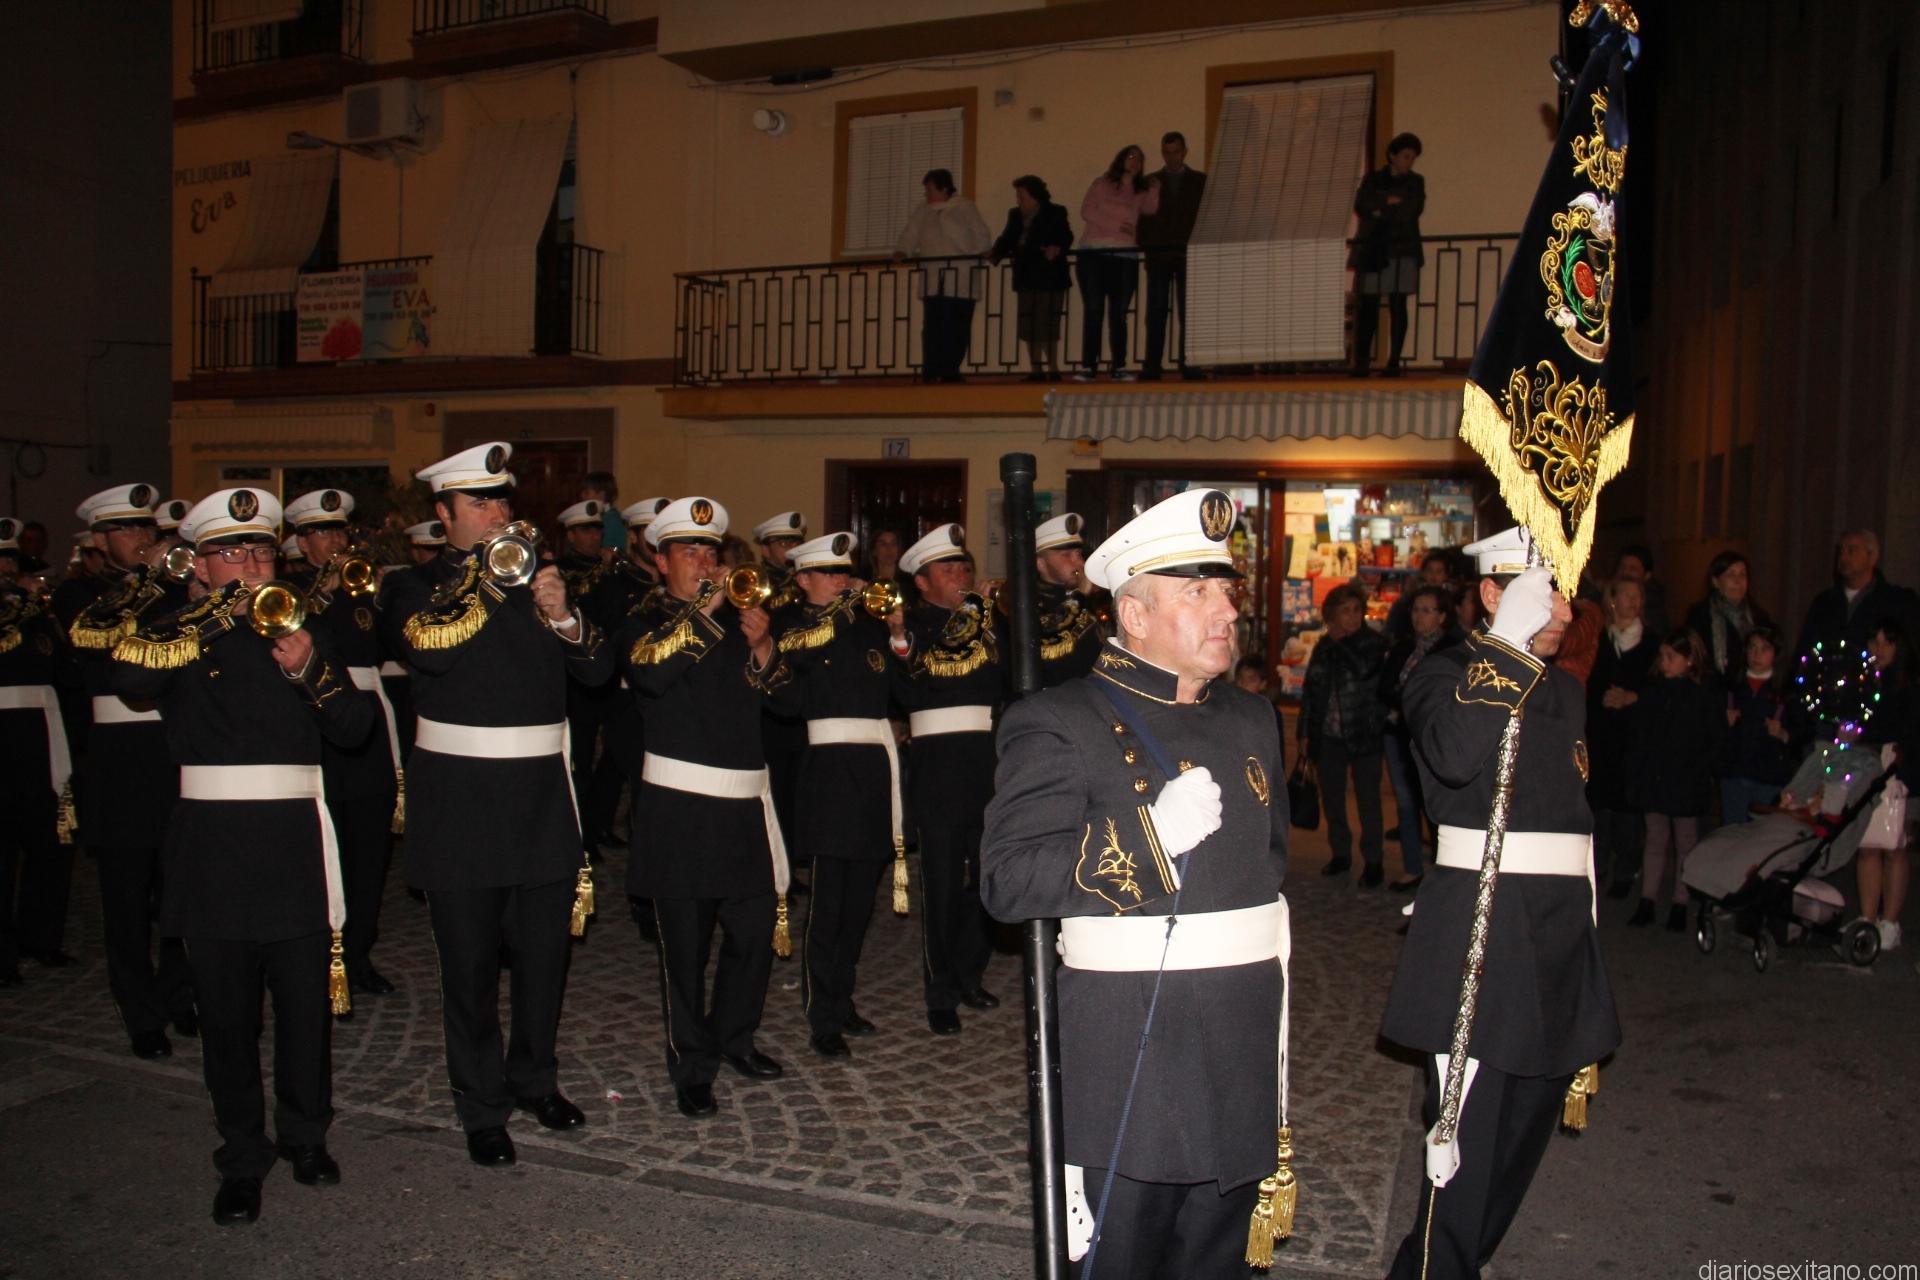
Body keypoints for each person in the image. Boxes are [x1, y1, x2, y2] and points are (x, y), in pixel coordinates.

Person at [981, 487, 1290, 1276]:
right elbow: (1009, 880)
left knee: (1217, 1261)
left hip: (1240, 1028)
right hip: (1133, 1049)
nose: (1226, 611)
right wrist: (1150, 839)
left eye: (1226, 591)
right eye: (1197, 593)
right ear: (1134, 614)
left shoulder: (1252, 718)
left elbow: (1270, 865)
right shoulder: (1060, 720)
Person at [108, 488, 373, 1225]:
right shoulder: (176, 631)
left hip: (291, 836)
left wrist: (310, 669)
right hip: (213, 844)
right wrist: (211, 615)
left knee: (304, 1007)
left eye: (261, 551)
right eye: (233, 553)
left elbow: (355, 728)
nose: (253, 566)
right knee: (226, 1016)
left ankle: (306, 1137)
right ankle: (242, 1155)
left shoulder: (305, 625)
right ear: (199, 564)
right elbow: (130, 682)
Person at [1381, 527, 1621, 1279]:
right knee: (1467, 1148)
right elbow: (1453, 757)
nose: (1562, 611)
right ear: (1492, 594)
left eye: (1564, 594)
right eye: (1542, 594)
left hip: (1557, 933)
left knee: (1522, 1136)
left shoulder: (1566, 690)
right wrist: (1507, 649)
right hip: (1485, 932)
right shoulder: (1443, 672)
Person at [383, 442, 614, 1166]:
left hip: (540, 795)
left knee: (545, 958)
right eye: (479, 502)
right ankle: (481, 1104)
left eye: (502, 500)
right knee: (471, 965)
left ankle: (535, 1078)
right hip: (461, 799)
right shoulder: (413, 586)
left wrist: (564, 615)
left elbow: (599, 673)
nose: (496, 513)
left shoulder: (540, 579)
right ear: (444, 513)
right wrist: (489, 581)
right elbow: (430, 653)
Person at [619, 497, 792, 1117]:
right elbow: (649, 677)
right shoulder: (644, 620)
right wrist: (706, 611)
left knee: (752, 934)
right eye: (688, 552)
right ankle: (691, 1064)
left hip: (742, 805)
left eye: (710, 551)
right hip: (680, 809)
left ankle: (734, 1037)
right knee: (686, 949)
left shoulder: (743, 620)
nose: (703, 562)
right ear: (661, 561)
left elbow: (787, 705)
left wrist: (764, 646)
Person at [54, 484, 198, 1055]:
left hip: (173, 749)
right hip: (118, 759)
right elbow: (92, 645)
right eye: (127, 529)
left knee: (180, 889)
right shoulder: (79, 594)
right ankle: (139, 1012)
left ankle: (181, 994)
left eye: (146, 528)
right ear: (99, 539)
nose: (141, 538)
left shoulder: (172, 587)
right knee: (126, 899)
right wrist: (147, 579)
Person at [772, 531, 905, 1057]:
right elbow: (790, 681)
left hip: (872, 768)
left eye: (846, 572)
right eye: (830, 573)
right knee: (829, 903)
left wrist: (898, 635)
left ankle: (842, 997)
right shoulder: (790, 624)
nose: (843, 581)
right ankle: (821, 1013)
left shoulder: (867, 624)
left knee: (859, 904)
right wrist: (850, 612)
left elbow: (901, 690)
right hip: (828, 771)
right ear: (803, 578)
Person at [283, 489, 402, 996]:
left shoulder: (363, 587)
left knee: (369, 853)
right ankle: (317, 955)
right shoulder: (285, 594)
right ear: (301, 542)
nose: (334, 541)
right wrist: (324, 595)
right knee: (318, 853)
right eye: (322, 532)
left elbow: (391, 646)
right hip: (319, 724)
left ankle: (358, 955)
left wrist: (378, 596)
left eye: (339, 531)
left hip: (366, 723)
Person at [891, 525, 1000, 1035]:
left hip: (987, 763)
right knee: (940, 884)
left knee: (986, 878)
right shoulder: (910, 627)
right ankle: (940, 991)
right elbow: (911, 690)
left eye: (964, 567)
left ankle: (969, 974)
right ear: (922, 581)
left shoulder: (987, 620)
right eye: (948, 568)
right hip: (938, 767)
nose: (961, 575)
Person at [0, 517, 74, 988]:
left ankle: (41, 937)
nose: (8, 571)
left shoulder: (35, 612)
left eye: (12, 562)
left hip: (41, 731)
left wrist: (40, 609)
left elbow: (64, 665)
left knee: (49, 839)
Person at [1626, 629, 1723, 930]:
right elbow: (1640, 734)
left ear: (1689, 660)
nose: (1664, 663)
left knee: (1685, 841)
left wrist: (1701, 770)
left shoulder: (1702, 695)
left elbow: (1712, 738)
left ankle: (1681, 901)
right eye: (1662, 656)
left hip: (1685, 777)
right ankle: (1647, 899)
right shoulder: (1654, 691)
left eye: (1671, 657)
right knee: (1655, 838)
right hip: (1656, 775)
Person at [1300, 581, 1388, 886]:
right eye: (1345, 611)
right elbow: (1311, 691)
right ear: (1332, 615)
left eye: (1355, 610)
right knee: (1332, 798)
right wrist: (1305, 733)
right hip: (1329, 734)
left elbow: (1364, 670)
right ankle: (1340, 853)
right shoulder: (1324, 645)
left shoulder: (1373, 643)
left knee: (1368, 800)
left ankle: (1374, 860)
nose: (1351, 616)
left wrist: (1341, 644)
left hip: (1364, 732)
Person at [1380, 583, 1461, 890]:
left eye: (1427, 610)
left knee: (1434, 805)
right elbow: (1385, 686)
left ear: (1442, 616)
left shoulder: (1451, 650)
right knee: (1405, 802)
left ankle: (1443, 869)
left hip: (1432, 735)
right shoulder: (1404, 647)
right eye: (1416, 610)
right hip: (1398, 733)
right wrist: (1405, 698)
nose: (1419, 616)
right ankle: (1412, 867)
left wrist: (1410, 698)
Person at [1587, 578, 1657, 897]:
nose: (1633, 601)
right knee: (1599, 806)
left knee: (1628, 808)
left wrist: (1633, 698)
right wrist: (1603, 697)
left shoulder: (1651, 643)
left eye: (1637, 596)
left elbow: (1658, 687)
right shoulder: (1599, 639)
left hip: (1633, 737)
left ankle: (1626, 871)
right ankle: (1598, 865)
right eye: (1627, 594)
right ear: (1612, 599)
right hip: (1601, 735)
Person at [892, 168, 992, 384]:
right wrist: (902, 250)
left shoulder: (964, 207)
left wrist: (983, 250)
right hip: (933, 275)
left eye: (930, 189)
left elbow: (980, 234)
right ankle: (931, 369)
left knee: (957, 324)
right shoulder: (923, 210)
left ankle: (950, 369)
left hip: (961, 274)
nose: (926, 194)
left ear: (944, 188)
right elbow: (910, 234)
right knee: (932, 326)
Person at [1074, 145, 1161, 381]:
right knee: (1094, 310)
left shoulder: (1139, 191)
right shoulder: (1102, 184)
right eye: (1131, 157)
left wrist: (1155, 188)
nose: (1134, 162)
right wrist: (1118, 227)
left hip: (1124, 256)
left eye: (1139, 159)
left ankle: (1119, 366)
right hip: (1094, 253)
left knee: (1119, 313)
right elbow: (1087, 211)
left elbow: (1151, 209)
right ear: (1121, 159)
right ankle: (1088, 366)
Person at [1856, 620, 1914, 951]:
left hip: (1896, 766)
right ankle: (1867, 916)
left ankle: (1889, 921)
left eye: (1885, 643)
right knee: (1867, 843)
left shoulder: (1907, 685)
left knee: (1894, 845)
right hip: (1867, 762)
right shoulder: (1864, 682)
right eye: (1873, 642)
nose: (1878, 650)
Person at [1349, 133, 1426, 378]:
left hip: (1402, 250)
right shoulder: (1373, 179)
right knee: (1368, 305)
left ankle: (1394, 361)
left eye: (1412, 158)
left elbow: (1410, 211)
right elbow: (1362, 204)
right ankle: (1362, 361)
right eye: (1405, 156)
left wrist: (1380, 208)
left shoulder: (1415, 182)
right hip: (1374, 249)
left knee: (1398, 304)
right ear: (1393, 156)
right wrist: (1388, 201)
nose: (1409, 162)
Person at [1136, 131, 1207, 382]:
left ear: (1184, 152)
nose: (1171, 157)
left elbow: (1206, 216)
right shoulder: (1150, 181)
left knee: (1189, 311)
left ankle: (1189, 363)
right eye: (1167, 153)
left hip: (1188, 252)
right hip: (1159, 252)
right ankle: (1152, 364)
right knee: (1156, 310)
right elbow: (1142, 217)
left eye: (1175, 152)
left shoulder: (1200, 181)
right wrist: (1146, 245)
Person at [988, 175, 1074, 381]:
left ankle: (1053, 368)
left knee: (1047, 322)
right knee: (1028, 323)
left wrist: (1056, 247)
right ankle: (1036, 369)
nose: (1018, 200)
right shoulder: (1015, 214)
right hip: (1025, 274)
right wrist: (995, 253)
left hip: (1049, 275)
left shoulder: (1055, 211)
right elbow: (1007, 237)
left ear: (1035, 196)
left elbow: (1065, 235)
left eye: (1022, 196)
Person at [1719, 625, 1793, 826]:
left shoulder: (1785, 691)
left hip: (1769, 775)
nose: (1756, 654)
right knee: (1733, 832)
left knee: (1762, 835)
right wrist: (1723, 723)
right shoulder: (1731, 687)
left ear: (1776, 653)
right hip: (1734, 773)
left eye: (1764, 648)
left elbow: (1802, 730)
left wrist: (1784, 734)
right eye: (1752, 647)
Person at [1031, 512, 1106, 687]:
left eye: (1078, 554)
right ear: (1040, 564)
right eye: (1066, 555)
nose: (1079, 563)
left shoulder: (1086, 598)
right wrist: (1080, 596)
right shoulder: (1031, 602)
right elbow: (1049, 635)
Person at [1683, 550, 1767, 681]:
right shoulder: (1700, 616)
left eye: (1742, 574)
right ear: (1716, 581)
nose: (1738, 581)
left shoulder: (1758, 617)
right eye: (1731, 575)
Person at [1610, 544, 1670, 636]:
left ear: (1647, 575)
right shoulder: (1608, 595)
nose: (1626, 573)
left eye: (1633, 569)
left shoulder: (1653, 609)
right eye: (1622, 567)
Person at [579, 470, 624, 558]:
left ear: (601, 494)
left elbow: (616, 549)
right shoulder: (601, 516)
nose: (582, 496)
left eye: (586, 492)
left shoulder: (611, 520)